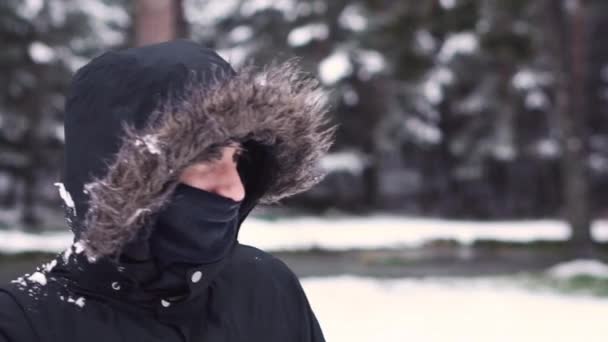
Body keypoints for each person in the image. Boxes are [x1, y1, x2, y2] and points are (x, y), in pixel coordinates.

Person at [0, 39, 335, 342]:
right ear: (120, 171)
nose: (234, 189)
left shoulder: (267, 287)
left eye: (238, 158)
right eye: (206, 157)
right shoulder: (21, 324)